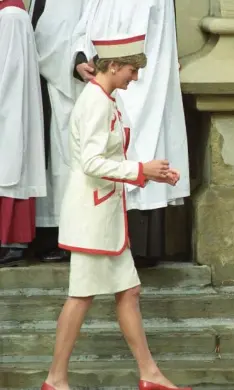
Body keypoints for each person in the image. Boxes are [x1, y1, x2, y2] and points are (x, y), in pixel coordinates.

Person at [40, 34, 189, 390]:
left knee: (129, 292)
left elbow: (111, 159)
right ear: (113, 65)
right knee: (81, 296)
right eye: (132, 70)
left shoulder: (109, 99)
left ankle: (149, 375)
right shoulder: (95, 102)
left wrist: (152, 174)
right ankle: (56, 379)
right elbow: (92, 162)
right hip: (92, 218)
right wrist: (141, 171)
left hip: (106, 215)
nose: (134, 77)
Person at [70, 0, 190, 268]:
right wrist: (80, 58)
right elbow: (84, 26)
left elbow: (145, 46)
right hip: (104, 79)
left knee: (141, 144)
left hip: (136, 86)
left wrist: (122, 74)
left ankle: (139, 245)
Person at [29, 0, 88, 263]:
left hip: (62, 89)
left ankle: (67, 238)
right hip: (45, 83)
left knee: (64, 165)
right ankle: (50, 236)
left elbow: (63, 37)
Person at [0, 0, 47, 267]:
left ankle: (9, 242)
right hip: (9, 108)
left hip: (10, 109)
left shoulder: (11, 17)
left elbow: (7, 73)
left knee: (9, 172)